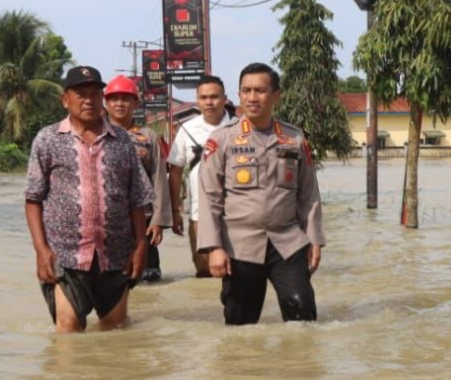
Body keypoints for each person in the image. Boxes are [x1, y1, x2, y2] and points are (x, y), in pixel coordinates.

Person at [24, 65, 155, 333]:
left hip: (116, 254)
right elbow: (33, 199)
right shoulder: (48, 139)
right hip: (66, 255)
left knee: (114, 329)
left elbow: (137, 199)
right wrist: (41, 250)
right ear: (65, 100)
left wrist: (141, 247)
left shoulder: (122, 141)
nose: (88, 100)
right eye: (81, 94)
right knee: (68, 330)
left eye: (95, 94)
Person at [195, 62, 324, 325]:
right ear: (239, 95)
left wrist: (314, 239)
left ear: (276, 96)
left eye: (260, 90)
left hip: (287, 242)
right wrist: (214, 248)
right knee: (240, 325)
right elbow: (209, 198)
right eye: (246, 91)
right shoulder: (222, 140)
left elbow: (309, 195)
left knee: (302, 313)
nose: (252, 97)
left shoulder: (294, 138)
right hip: (239, 245)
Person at [167, 74, 236, 277]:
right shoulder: (187, 129)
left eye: (214, 97)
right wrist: (175, 210)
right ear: (197, 100)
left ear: (224, 99)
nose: (209, 102)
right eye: (204, 97)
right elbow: (175, 172)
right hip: (199, 215)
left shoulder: (240, 127)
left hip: (238, 216)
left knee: (240, 274)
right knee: (206, 274)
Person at [103, 74, 170, 282]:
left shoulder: (148, 137)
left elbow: (159, 178)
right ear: (106, 103)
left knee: (149, 280)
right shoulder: (97, 135)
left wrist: (159, 220)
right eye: (114, 99)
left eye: (126, 99)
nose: (120, 104)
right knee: (112, 279)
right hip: (109, 220)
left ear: (136, 103)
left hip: (144, 219)